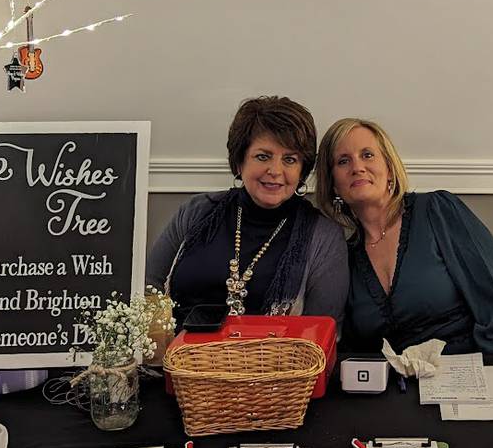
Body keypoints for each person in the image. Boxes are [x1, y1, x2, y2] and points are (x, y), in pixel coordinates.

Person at [314, 118, 493, 356]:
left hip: (471, 374)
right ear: (333, 184)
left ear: (390, 168)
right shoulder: (344, 256)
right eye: (343, 161)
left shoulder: (438, 211)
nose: (357, 167)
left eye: (368, 155)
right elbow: (353, 350)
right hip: (394, 388)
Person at [146, 97, 348, 324]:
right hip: (179, 356)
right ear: (240, 162)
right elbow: (150, 290)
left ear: (302, 171)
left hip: (271, 359)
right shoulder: (196, 212)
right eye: (263, 156)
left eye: (290, 160)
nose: (275, 170)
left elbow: (321, 331)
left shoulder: (323, 236)